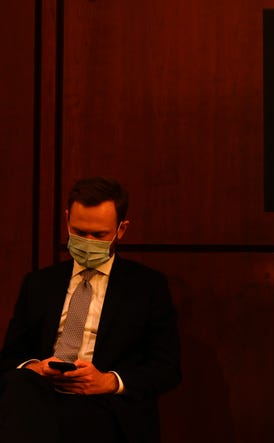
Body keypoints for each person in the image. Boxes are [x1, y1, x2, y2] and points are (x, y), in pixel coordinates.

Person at [0, 177, 181, 443]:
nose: (87, 242)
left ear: (121, 230)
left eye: (98, 235)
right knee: (16, 391)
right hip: (39, 396)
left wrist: (107, 381)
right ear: (66, 220)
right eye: (79, 232)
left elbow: (167, 369)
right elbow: (9, 358)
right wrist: (37, 368)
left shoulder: (147, 286)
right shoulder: (39, 283)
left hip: (104, 405)